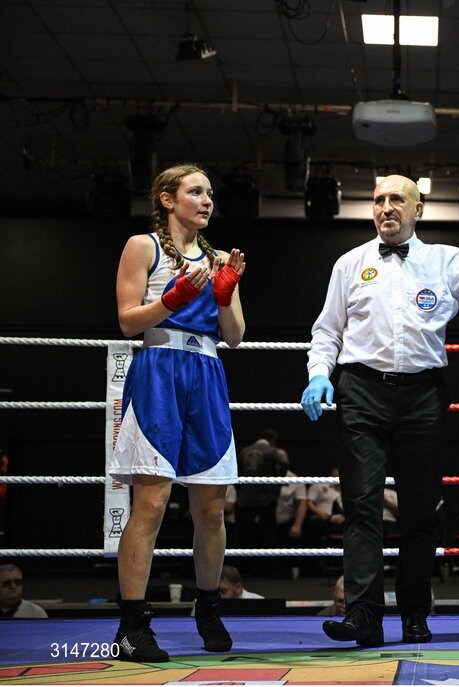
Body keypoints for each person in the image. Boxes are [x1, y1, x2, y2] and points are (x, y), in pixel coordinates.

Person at [301, 174, 459, 647]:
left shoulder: (443, 260)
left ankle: (415, 615)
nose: (386, 207)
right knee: (361, 508)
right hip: (360, 391)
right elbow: (327, 331)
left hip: (422, 395)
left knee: (420, 512)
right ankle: (363, 613)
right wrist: (318, 373)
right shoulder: (349, 263)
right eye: (379, 199)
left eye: (396, 199)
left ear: (418, 209)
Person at [109, 163, 245, 661]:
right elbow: (127, 322)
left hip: (207, 374)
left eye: (210, 192)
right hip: (158, 369)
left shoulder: (219, 257)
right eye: (195, 192)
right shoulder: (141, 246)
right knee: (150, 505)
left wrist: (224, 294)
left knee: (210, 508)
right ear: (168, 199)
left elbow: (235, 335)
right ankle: (131, 625)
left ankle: (208, 608)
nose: (207, 200)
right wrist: (171, 299)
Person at [235, 429, 289, 555]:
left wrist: (241, 488)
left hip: (245, 498)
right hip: (265, 497)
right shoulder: (272, 451)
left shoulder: (244, 451)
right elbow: (285, 462)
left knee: (242, 534)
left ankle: (241, 568)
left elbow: (236, 472)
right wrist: (278, 481)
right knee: (269, 534)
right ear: (272, 440)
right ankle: (272, 570)